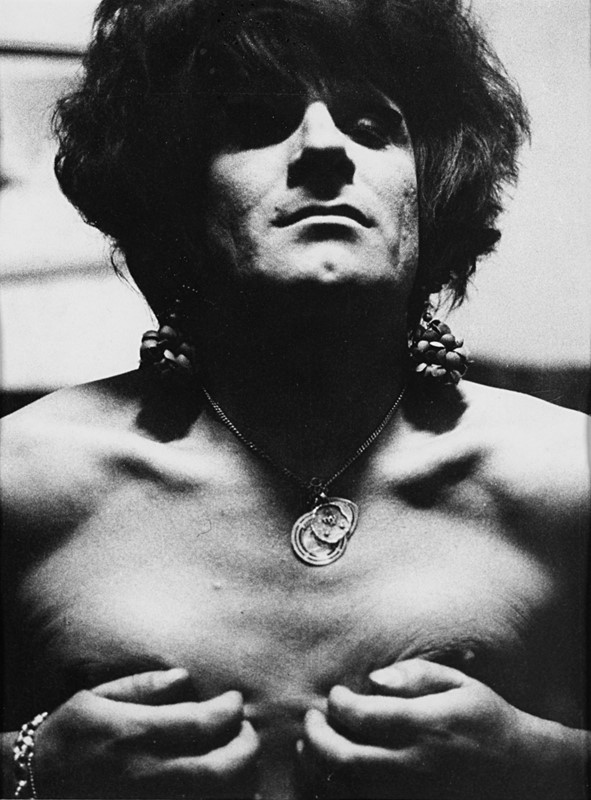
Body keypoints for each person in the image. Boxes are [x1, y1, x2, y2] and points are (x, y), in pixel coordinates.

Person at [1, 0, 589, 797]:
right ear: (170, 192)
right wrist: (32, 766)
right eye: (254, 123)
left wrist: (545, 764)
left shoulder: (565, 481)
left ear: (432, 188)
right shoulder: (24, 483)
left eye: (371, 126)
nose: (323, 149)